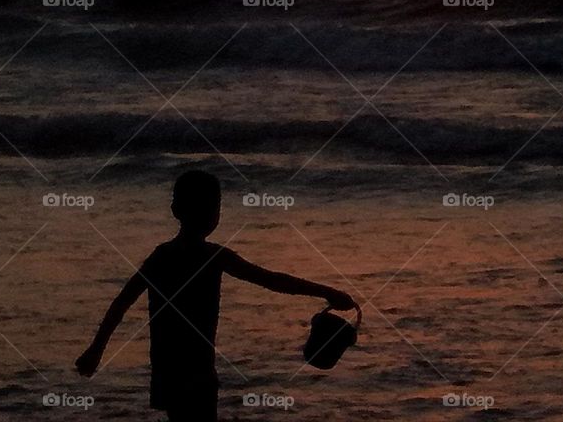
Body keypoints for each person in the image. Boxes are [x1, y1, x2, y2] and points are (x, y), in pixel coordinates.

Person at [75, 171, 355, 421]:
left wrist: (96, 350)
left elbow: (121, 303)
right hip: (195, 370)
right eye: (210, 208)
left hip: (168, 367)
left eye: (214, 207)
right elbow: (271, 280)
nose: (212, 215)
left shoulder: (163, 256)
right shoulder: (211, 257)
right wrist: (327, 291)